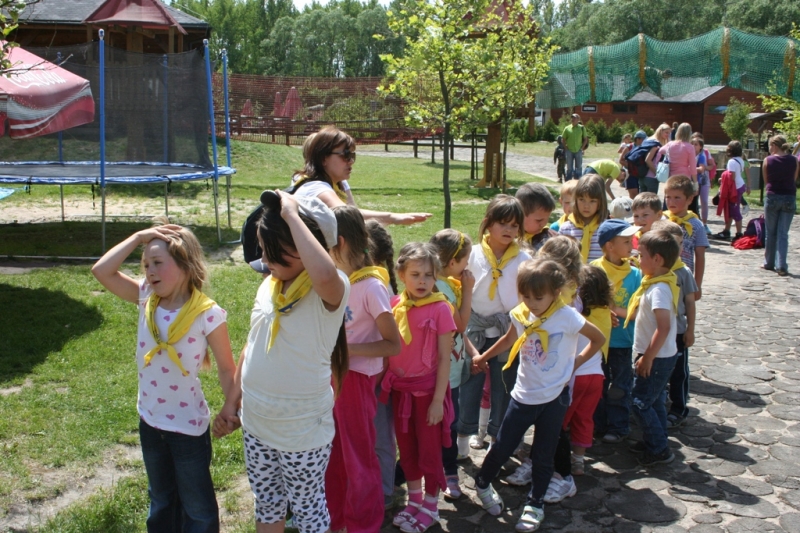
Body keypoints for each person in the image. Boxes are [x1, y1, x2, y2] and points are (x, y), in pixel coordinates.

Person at [91, 221, 237, 532]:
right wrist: (138, 237)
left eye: (158, 263)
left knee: (197, 509)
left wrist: (231, 408)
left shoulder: (207, 313)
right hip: (150, 421)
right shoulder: (146, 297)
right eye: (145, 264)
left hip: (187, 429)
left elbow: (227, 368)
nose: (149, 271)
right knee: (161, 499)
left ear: (185, 265)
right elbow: (101, 271)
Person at [217, 191, 349, 533]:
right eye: (264, 251)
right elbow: (252, 344)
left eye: (275, 253)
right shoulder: (270, 286)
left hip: (301, 429)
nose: (267, 261)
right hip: (258, 422)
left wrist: (291, 214)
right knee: (268, 501)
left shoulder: (331, 290)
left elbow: (322, 273)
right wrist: (232, 403)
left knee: (307, 507)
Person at [470, 259, 606, 532]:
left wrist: (576, 363)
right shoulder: (521, 314)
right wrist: (483, 356)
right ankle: (482, 483)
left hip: (555, 399)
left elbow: (598, 338)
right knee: (502, 446)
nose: (531, 302)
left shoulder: (567, 316)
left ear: (555, 293)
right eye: (526, 296)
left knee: (544, 455)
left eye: (538, 297)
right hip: (523, 398)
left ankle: (536, 502)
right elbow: (509, 339)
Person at [326, 206, 402, 533]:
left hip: (356, 382)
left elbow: (393, 345)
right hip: (333, 378)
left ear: (339, 242)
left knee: (358, 459)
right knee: (332, 457)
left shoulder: (371, 287)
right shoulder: (336, 278)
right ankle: (335, 520)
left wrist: (345, 351)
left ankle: (364, 524)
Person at [382, 242, 456, 533]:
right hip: (400, 393)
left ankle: (431, 505)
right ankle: (414, 501)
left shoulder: (440, 309)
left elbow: (443, 358)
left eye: (428, 274)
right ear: (401, 274)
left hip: (427, 396)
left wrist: (438, 400)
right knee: (408, 451)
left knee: (429, 453)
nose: (422, 281)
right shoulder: (394, 306)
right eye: (415, 274)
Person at [458, 195, 532, 459]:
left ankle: (497, 439)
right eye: (503, 223)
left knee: (504, 386)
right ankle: (463, 437)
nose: (509, 230)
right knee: (469, 383)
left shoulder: (523, 259)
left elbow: (525, 298)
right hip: (474, 328)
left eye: (514, 225)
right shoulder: (473, 254)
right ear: (488, 224)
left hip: (507, 330)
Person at [509, 235, 583, 489]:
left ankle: (562, 475)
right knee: (541, 422)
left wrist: (577, 362)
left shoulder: (567, 304)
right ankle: (536, 461)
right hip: (538, 371)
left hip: (559, 374)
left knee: (554, 426)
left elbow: (591, 336)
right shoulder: (540, 301)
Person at [291, 126, 432, 226]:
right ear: (323, 159)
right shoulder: (316, 187)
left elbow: (352, 213)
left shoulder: (334, 183)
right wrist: (392, 217)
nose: (351, 161)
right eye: (345, 155)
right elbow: (347, 214)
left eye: (352, 155)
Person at [625, 230, 680, 466]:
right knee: (654, 401)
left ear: (657, 259)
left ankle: (658, 448)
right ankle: (655, 439)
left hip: (655, 357)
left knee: (639, 402)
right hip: (657, 355)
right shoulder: (656, 282)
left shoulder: (659, 289)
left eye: (642, 255)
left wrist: (647, 357)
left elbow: (664, 327)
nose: (638, 258)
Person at [553, 265, 613, 477]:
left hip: (574, 376)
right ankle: (579, 461)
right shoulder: (606, 313)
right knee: (585, 418)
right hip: (596, 375)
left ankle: (553, 459)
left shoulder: (576, 317)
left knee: (560, 421)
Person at [429, 229, 475, 500]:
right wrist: (468, 291)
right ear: (453, 262)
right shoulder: (445, 288)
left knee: (443, 423)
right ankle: (448, 472)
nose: (467, 265)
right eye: (466, 259)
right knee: (448, 423)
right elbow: (460, 325)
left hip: (442, 367)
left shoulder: (438, 282)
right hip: (446, 373)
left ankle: (438, 469)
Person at [591, 219, 642, 444]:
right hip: (597, 342)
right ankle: (597, 424)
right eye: (625, 241)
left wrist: (613, 310)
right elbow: (584, 304)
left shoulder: (636, 274)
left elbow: (638, 310)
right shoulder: (594, 270)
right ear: (610, 246)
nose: (631, 244)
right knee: (598, 385)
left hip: (622, 341)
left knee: (620, 386)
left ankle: (619, 426)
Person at [364, 220, 401, 510]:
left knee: (381, 436)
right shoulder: (366, 280)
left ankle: (386, 489)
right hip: (363, 372)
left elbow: (391, 341)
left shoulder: (378, 285)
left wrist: (383, 376)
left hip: (379, 375)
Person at [651, 220, 698, 429]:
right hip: (654, 330)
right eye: (671, 243)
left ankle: (679, 408)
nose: (676, 249)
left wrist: (690, 330)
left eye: (679, 243)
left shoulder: (683, 271)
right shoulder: (651, 269)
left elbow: (690, 302)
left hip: (677, 330)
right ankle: (655, 405)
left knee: (679, 372)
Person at [664, 174, 707, 300]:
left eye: (677, 197)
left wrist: (697, 284)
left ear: (689, 199)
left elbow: (700, 255)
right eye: (668, 197)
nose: (671, 201)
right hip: (661, 274)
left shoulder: (696, 225)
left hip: (683, 277)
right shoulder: (661, 219)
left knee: (682, 310)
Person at [762, 134, 799, 277]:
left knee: (770, 232)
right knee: (783, 234)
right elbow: (794, 179)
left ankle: (769, 262)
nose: (769, 148)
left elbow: (766, 181)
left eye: (770, 145)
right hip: (789, 197)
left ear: (775, 145)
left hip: (772, 196)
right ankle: (782, 264)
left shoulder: (767, 160)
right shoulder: (794, 160)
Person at [558, 174, 609, 263]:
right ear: (575, 200)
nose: (586, 206)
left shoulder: (607, 230)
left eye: (592, 201)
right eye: (582, 199)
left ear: (601, 202)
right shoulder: (565, 229)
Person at [714, 140, 750, 241]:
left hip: (734, 188)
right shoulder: (741, 160)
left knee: (734, 210)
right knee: (729, 209)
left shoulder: (731, 162)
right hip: (740, 185)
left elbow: (732, 177)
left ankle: (739, 233)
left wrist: (722, 180)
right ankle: (727, 230)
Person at [516, 182, 559, 253]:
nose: (544, 224)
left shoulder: (551, 240)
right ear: (520, 214)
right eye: (539, 220)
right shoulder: (508, 237)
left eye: (547, 218)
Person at [657, 123, 698, 194]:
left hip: (671, 176)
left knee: (670, 196)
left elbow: (661, 150)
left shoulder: (671, 144)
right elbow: (693, 167)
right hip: (684, 177)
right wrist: (695, 183)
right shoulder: (690, 147)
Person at [619, 130, 649, 198]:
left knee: (642, 196)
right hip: (631, 174)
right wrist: (632, 167)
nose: (645, 141)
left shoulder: (645, 147)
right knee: (634, 196)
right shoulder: (629, 147)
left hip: (641, 174)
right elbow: (621, 160)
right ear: (638, 139)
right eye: (643, 139)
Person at [691, 136, 712, 235]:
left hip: (701, 181)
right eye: (692, 144)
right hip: (691, 181)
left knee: (703, 201)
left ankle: (704, 223)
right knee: (693, 203)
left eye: (696, 144)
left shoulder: (702, 156)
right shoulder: (689, 155)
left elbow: (702, 168)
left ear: (700, 147)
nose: (693, 146)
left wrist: (690, 168)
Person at [643, 123, 672, 194]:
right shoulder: (656, 144)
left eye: (669, 133)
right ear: (660, 131)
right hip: (651, 177)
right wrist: (657, 173)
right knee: (651, 202)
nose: (668, 135)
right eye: (666, 132)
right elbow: (648, 160)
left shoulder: (647, 140)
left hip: (642, 175)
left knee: (642, 202)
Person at [561, 113, 588, 180]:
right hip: (569, 151)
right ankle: (568, 181)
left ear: (578, 119)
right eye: (572, 118)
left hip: (578, 150)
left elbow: (585, 139)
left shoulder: (582, 128)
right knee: (569, 168)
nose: (572, 119)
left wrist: (582, 148)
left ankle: (577, 182)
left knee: (578, 168)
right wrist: (566, 147)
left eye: (574, 118)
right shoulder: (567, 128)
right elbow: (563, 139)